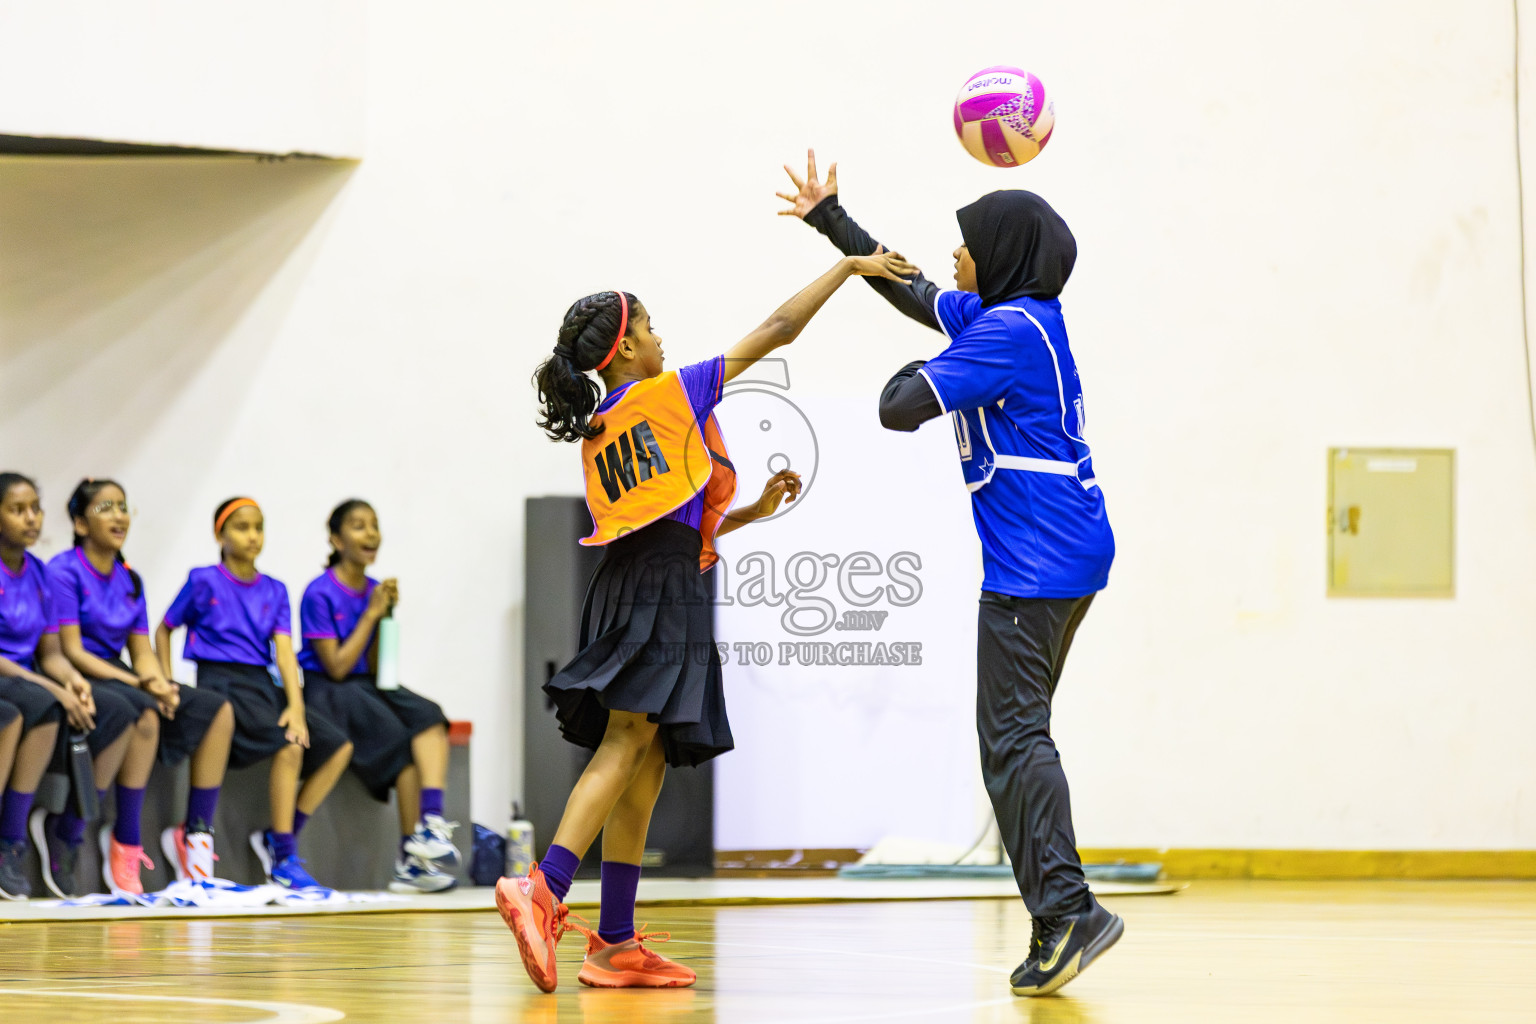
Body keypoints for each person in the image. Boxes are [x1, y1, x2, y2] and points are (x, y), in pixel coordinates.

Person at [503, 244, 914, 992]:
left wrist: (751, 510)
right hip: (661, 588)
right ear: (625, 345)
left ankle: (616, 942)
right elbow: (781, 325)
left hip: (642, 580)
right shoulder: (669, 393)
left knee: (649, 758)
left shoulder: (602, 430)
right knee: (628, 743)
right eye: (653, 327)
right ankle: (545, 888)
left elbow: (665, 523)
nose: (664, 338)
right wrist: (847, 269)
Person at [779, 149, 1124, 997]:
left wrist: (926, 374)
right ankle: (1062, 914)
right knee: (1019, 735)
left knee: (1011, 740)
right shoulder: (1024, 317)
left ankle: (1069, 913)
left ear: (1002, 255)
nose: (956, 255)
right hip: (1068, 550)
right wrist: (834, 222)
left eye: (968, 243)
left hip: (1034, 562)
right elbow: (914, 288)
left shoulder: (1004, 334)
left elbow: (901, 409)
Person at [156, 498, 354, 891]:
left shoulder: (275, 589)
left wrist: (296, 707)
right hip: (220, 683)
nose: (252, 536)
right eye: (242, 527)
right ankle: (280, 856)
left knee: (336, 745)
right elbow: (163, 629)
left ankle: (281, 838)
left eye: (258, 527)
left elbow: (283, 652)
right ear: (220, 534)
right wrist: (165, 683)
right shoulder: (202, 580)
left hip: (262, 686)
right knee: (290, 745)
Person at [49, 478, 235, 897]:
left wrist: (160, 682)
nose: (119, 515)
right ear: (80, 523)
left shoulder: (130, 579)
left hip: (123, 673)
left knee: (216, 709)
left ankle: (197, 837)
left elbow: (141, 647)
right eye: (106, 507)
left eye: (123, 506)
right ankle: (125, 840)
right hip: (79, 671)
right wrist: (142, 685)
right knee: (143, 711)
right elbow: (73, 652)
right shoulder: (64, 571)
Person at [297, 500, 460, 894]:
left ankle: (427, 832)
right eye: (357, 526)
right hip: (328, 689)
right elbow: (336, 666)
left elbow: (374, 667)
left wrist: (385, 615)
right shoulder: (319, 593)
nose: (370, 533)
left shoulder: (373, 591)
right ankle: (410, 853)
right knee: (398, 740)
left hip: (364, 682)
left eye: (374, 525)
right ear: (336, 539)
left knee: (429, 714)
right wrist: (371, 614)